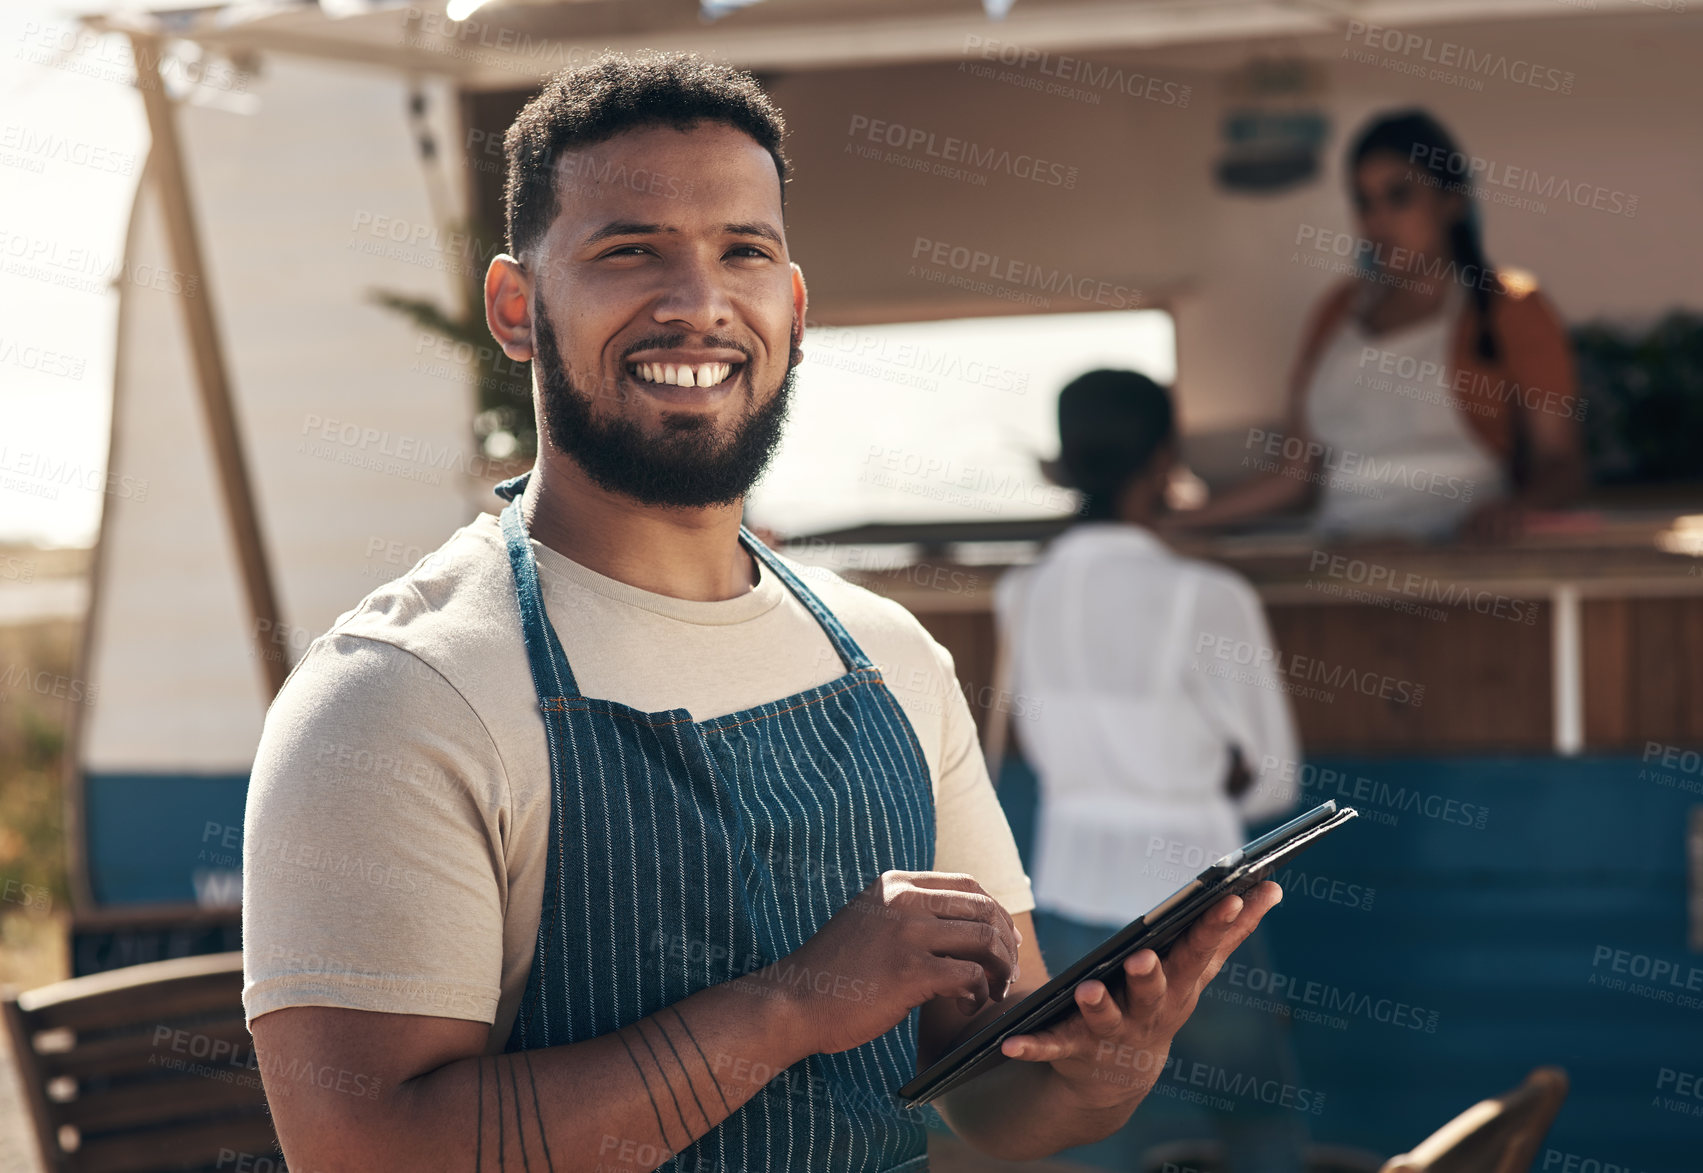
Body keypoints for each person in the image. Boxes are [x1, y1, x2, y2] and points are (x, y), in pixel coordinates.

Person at [241, 52, 1281, 1172]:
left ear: (791, 305)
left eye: (743, 251)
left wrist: (1105, 1069)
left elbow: (993, 1102)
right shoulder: (399, 693)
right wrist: (788, 1009)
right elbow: (362, 1151)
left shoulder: (889, 659)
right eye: (628, 251)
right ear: (515, 308)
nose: (698, 305)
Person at [995, 369, 1307, 1172]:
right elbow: (1275, 779)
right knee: (1255, 1119)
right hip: (1195, 904)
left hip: (1063, 904)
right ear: (1163, 455)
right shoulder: (1204, 593)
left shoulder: (1021, 591)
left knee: (1083, 1125)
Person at [1174, 109, 1586, 543]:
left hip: (1463, 565)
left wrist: (1516, 510)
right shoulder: (1337, 312)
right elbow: (1293, 476)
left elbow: (1561, 462)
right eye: (1364, 203)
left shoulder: (1510, 308)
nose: (1378, 221)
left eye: (1399, 197)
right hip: (1342, 563)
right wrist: (1176, 524)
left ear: (1452, 201)